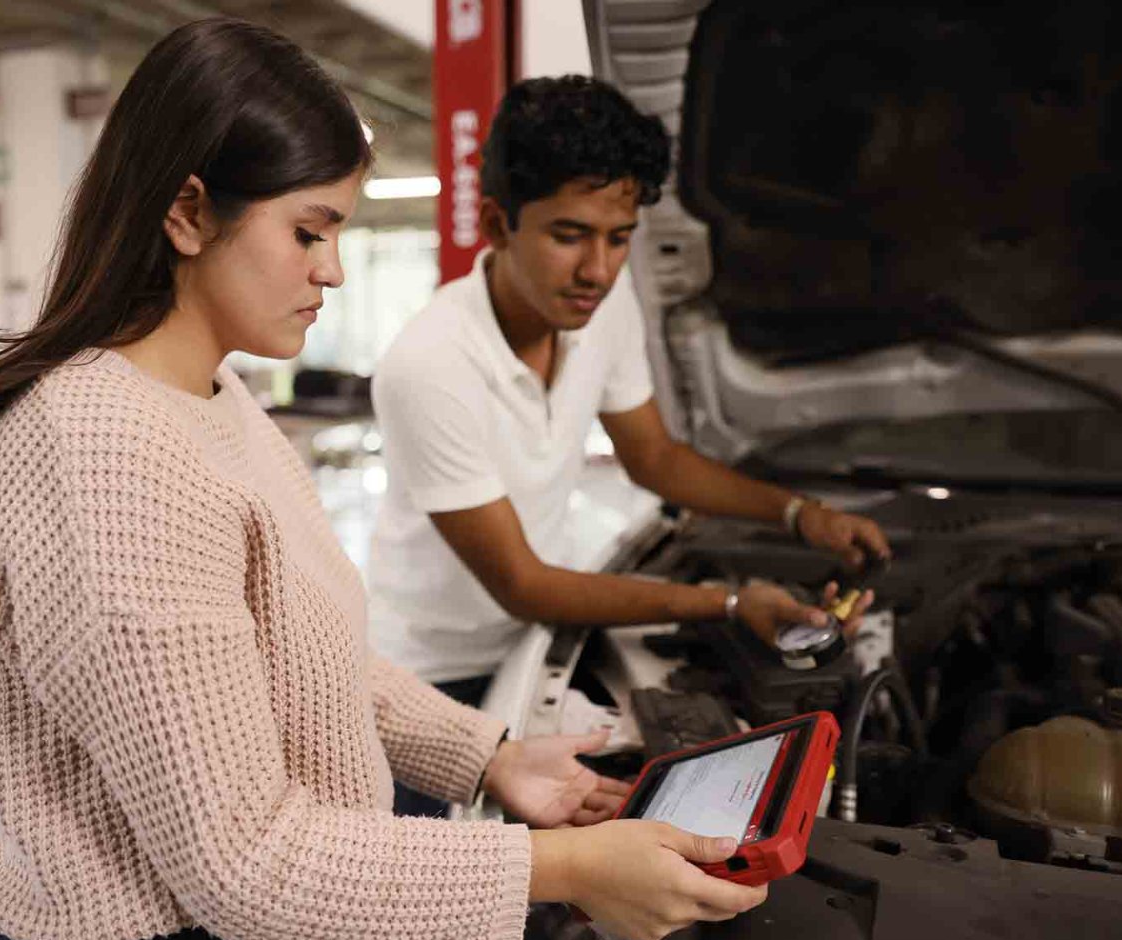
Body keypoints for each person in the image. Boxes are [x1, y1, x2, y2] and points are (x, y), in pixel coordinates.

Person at [0, 19, 766, 940]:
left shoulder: (210, 397)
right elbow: (245, 865)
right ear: (188, 213)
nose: (331, 270)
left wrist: (489, 758)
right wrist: (569, 868)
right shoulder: (108, 459)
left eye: (338, 235)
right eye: (307, 231)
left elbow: (300, 659)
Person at [368, 76, 889, 722]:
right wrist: (729, 602)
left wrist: (799, 514)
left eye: (618, 238)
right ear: (499, 224)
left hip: (539, 638)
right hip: (429, 675)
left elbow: (654, 458)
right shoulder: (430, 364)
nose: (598, 270)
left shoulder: (602, 309)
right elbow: (523, 584)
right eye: (569, 235)